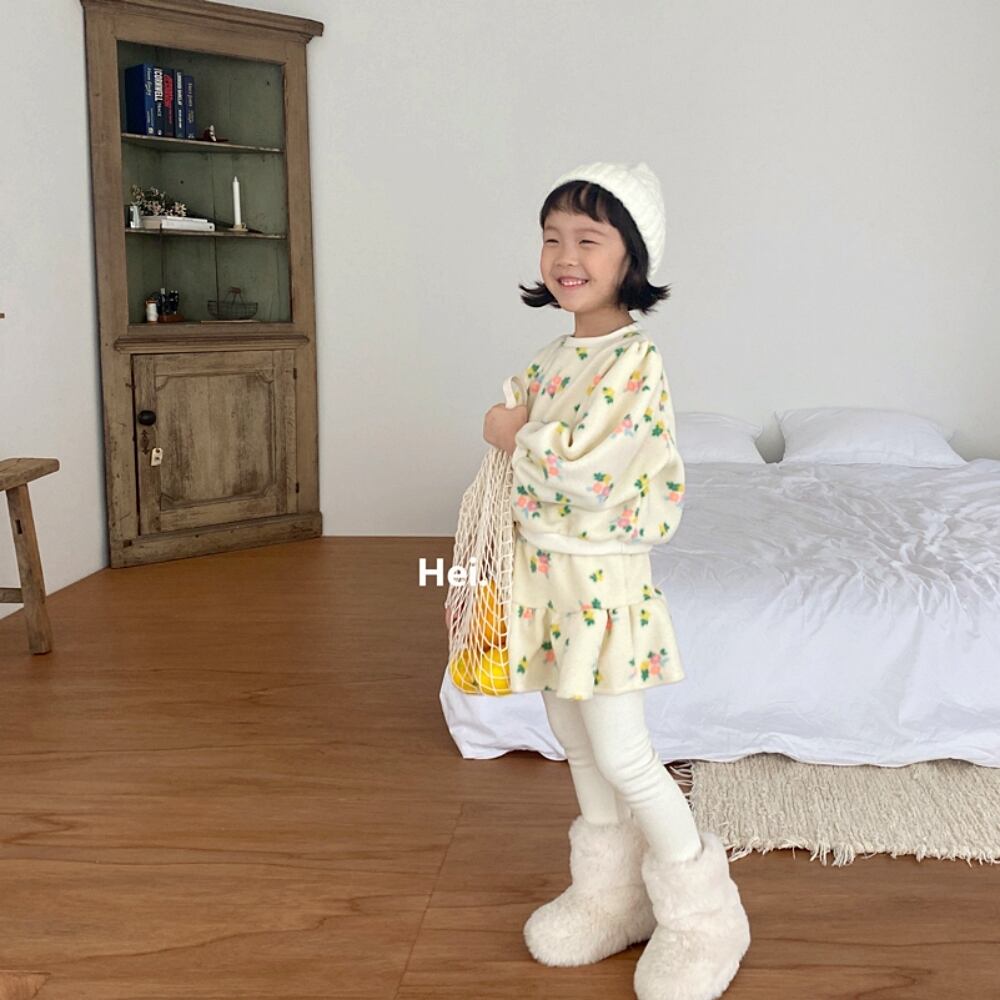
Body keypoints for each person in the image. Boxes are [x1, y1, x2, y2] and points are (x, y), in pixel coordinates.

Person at [481, 162, 751, 1000]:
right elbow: (530, 434)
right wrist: (519, 429)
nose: (566, 256)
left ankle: (706, 916)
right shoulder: (555, 354)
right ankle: (610, 896)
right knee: (576, 743)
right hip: (546, 582)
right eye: (553, 237)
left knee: (627, 754)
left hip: (601, 586)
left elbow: (590, 472)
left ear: (631, 257)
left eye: (589, 240)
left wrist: (514, 432)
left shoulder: (636, 360)